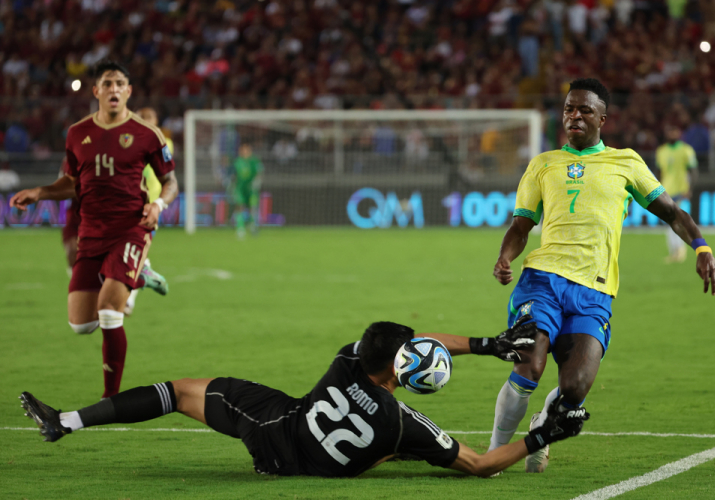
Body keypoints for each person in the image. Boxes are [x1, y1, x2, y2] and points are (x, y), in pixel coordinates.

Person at [489, 78, 715, 474]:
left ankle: (541, 426)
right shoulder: (542, 164)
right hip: (542, 279)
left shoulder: (626, 162)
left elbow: (672, 213)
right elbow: (521, 224)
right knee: (530, 361)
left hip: (594, 290)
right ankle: (494, 453)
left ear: (602, 118)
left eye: (583, 109)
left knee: (575, 389)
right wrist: (504, 257)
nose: (574, 115)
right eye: (568, 109)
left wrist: (702, 247)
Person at [20, 319, 589, 478]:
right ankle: (379, 460)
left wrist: (486, 344)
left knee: (175, 392)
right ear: (402, 367)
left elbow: (411, 347)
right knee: (408, 451)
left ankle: (66, 421)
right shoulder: (402, 422)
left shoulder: (347, 359)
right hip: (321, 461)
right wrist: (542, 435)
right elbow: (481, 464)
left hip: (272, 431)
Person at [9, 60, 179, 398]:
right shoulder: (76, 134)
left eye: (119, 83)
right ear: (96, 91)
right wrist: (41, 192)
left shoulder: (148, 134)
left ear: (128, 91)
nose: (113, 89)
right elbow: (72, 183)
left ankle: (109, 399)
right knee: (81, 325)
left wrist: (158, 205)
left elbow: (170, 181)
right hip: (91, 232)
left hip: (132, 228)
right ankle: (140, 278)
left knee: (108, 311)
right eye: (107, 83)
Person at [123, 107, 175, 315]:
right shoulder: (128, 141)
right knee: (131, 251)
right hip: (129, 202)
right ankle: (145, 273)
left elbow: (166, 175)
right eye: (142, 118)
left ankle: (129, 299)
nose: (145, 121)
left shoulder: (162, 143)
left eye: (149, 119)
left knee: (133, 249)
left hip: (150, 203)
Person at [655, 124, 698, 263]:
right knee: (669, 222)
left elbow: (694, 171)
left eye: (675, 131)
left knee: (680, 221)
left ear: (679, 133)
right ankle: (675, 252)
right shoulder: (661, 151)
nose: (672, 134)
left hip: (681, 191)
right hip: (666, 192)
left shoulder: (686, 150)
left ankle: (680, 251)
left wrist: (689, 189)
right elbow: (659, 172)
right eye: (670, 131)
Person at [229, 143, 264, 238]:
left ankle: (253, 226)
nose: (245, 152)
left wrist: (257, 181)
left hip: (251, 188)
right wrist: (232, 186)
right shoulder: (237, 162)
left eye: (247, 150)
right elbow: (233, 175)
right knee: (239, 206)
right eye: (243, 150)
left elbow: (259, 172)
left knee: (252, 207)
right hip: (240, 188)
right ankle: (240, 228)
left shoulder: (254, 161)